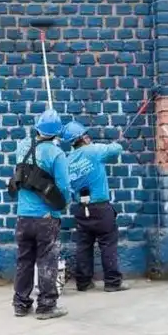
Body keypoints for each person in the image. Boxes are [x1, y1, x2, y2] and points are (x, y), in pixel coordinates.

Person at [10, 109, 71, 320]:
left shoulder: (22, 147)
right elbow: (64, 188)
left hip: (23, 216)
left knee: (24, 260)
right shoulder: (56, 154)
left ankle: (20, 303)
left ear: (37, 127)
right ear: (56, 133)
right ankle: (46, 306)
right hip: (46, 217)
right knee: (47, 260)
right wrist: (63, 204)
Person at [60, 120, 130, 292]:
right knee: (107, 244)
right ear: (83, 137)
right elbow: (116, 150)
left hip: (81, 209)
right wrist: (116, 142)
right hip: (100, 207)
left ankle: (83, 282)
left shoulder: (67, 160)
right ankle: (112, 282)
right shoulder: (94, 151)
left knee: (84, 246)